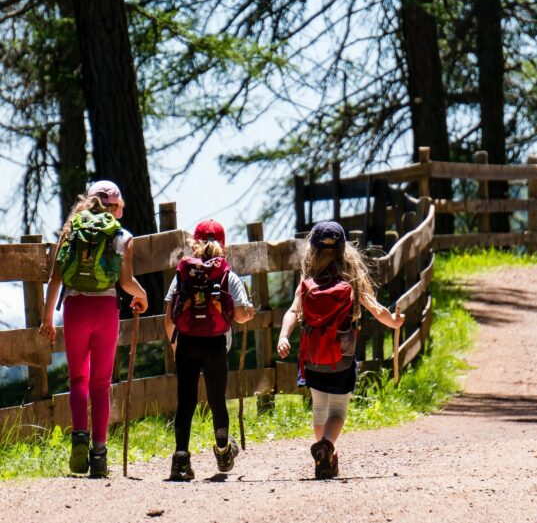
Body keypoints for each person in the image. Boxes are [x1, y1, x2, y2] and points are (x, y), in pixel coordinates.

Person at [277, 220, 404, 479]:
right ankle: (327, 446)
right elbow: (375, 308)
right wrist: (393, 321)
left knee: (319, 410)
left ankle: (324, 457)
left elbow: (293, 311)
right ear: (343, 249)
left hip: (313, 359)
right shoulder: (351, 278)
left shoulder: (308, 279)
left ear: (311, 250)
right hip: (342, 359)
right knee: (338, 411)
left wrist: (283, 336)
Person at [39, 180, 148, 477]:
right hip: (105, 310)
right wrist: (142, 296)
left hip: (75, 309)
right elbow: (125, 282)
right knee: (101, 384)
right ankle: (99, 454)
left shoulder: (71, 229)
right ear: (118, 207)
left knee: (78, 380)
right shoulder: (122, 235)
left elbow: (55, 279)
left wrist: (47, 319)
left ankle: (79, 438)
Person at [164, 219, 255, 481]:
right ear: (223, 245)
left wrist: (174, 345)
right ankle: (224, 451)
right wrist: (249, 313)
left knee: (186, 402)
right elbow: (239, 315)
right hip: (215, 344)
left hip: (187, 343)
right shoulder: (227, 275)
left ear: (194, 243)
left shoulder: (183, 274)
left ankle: (180, 460)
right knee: (217, 401)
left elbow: (169, 316)